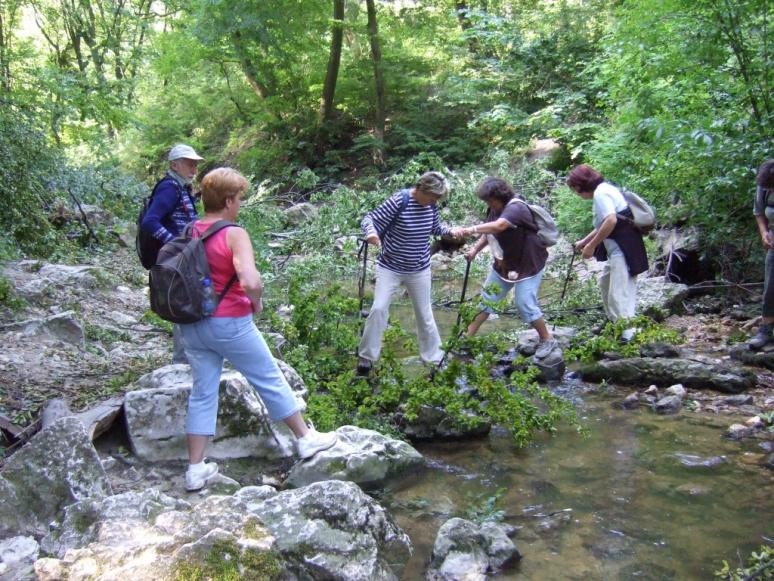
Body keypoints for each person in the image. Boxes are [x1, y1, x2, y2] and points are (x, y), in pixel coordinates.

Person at [178, 167, 337, 491]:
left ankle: (195, 469)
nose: (239, 204)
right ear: (228, 201)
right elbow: (250, 280)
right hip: (230, 323)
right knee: (268, 377)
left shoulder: (189, 229)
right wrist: (258, 302)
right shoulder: (234, 233)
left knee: (203, 393)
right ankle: (305, 438)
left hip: (192, 325)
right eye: (238, 199)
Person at [357, 171, 461, 375]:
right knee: (378, 309)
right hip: (390, 267)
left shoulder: (430, 204)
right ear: (421, 189)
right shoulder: (400, 200)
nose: (434, 201)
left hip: (419, 269)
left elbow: (435, 228)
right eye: (433, 197)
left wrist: (450, 231)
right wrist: (371, 233)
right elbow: (369, 218)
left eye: (437, 199)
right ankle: (367, 357)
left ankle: (434, 360)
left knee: (425, 314)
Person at [461, 177, 557, 357]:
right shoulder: (494, 209)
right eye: (486, 201)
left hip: (528, 263)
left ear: (500, 196)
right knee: (486, 299)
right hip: (505, 264)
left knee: (524, 303)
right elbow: (490, 232)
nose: (489, 204)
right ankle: (466, 339)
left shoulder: (516, 208)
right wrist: (474, 250)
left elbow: (499, 226)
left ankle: (547, 339)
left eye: (490, 200)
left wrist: (470, 229)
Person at [567, 164, 648, 342]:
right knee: (606, 284)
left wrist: (591, 246)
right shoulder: (605, 189)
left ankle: (628, 335)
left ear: (581, 186)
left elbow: (610, 221)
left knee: (619, 293)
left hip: (623, 249)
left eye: (576, 190)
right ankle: (616, 325)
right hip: (618, 250)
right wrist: (584, 241)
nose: (577, 195)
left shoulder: (600, 193)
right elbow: (604, 223)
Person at [141, 144, 204, 363]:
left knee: (187, 303)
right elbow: (150, 221)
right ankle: (181, 362)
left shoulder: (180, 187)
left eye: (195, 164)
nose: (194, 169)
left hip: (181, 258)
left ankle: (188, 358)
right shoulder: (169, 188)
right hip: (176, 259)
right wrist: (175, 245)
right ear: (174, 165)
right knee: (182, 306)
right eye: (189, 164)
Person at [750, 159, 774, 350]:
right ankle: (766, 330)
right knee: (770, 287)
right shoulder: (764, 185)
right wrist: (764, 233)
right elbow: (759, 212)